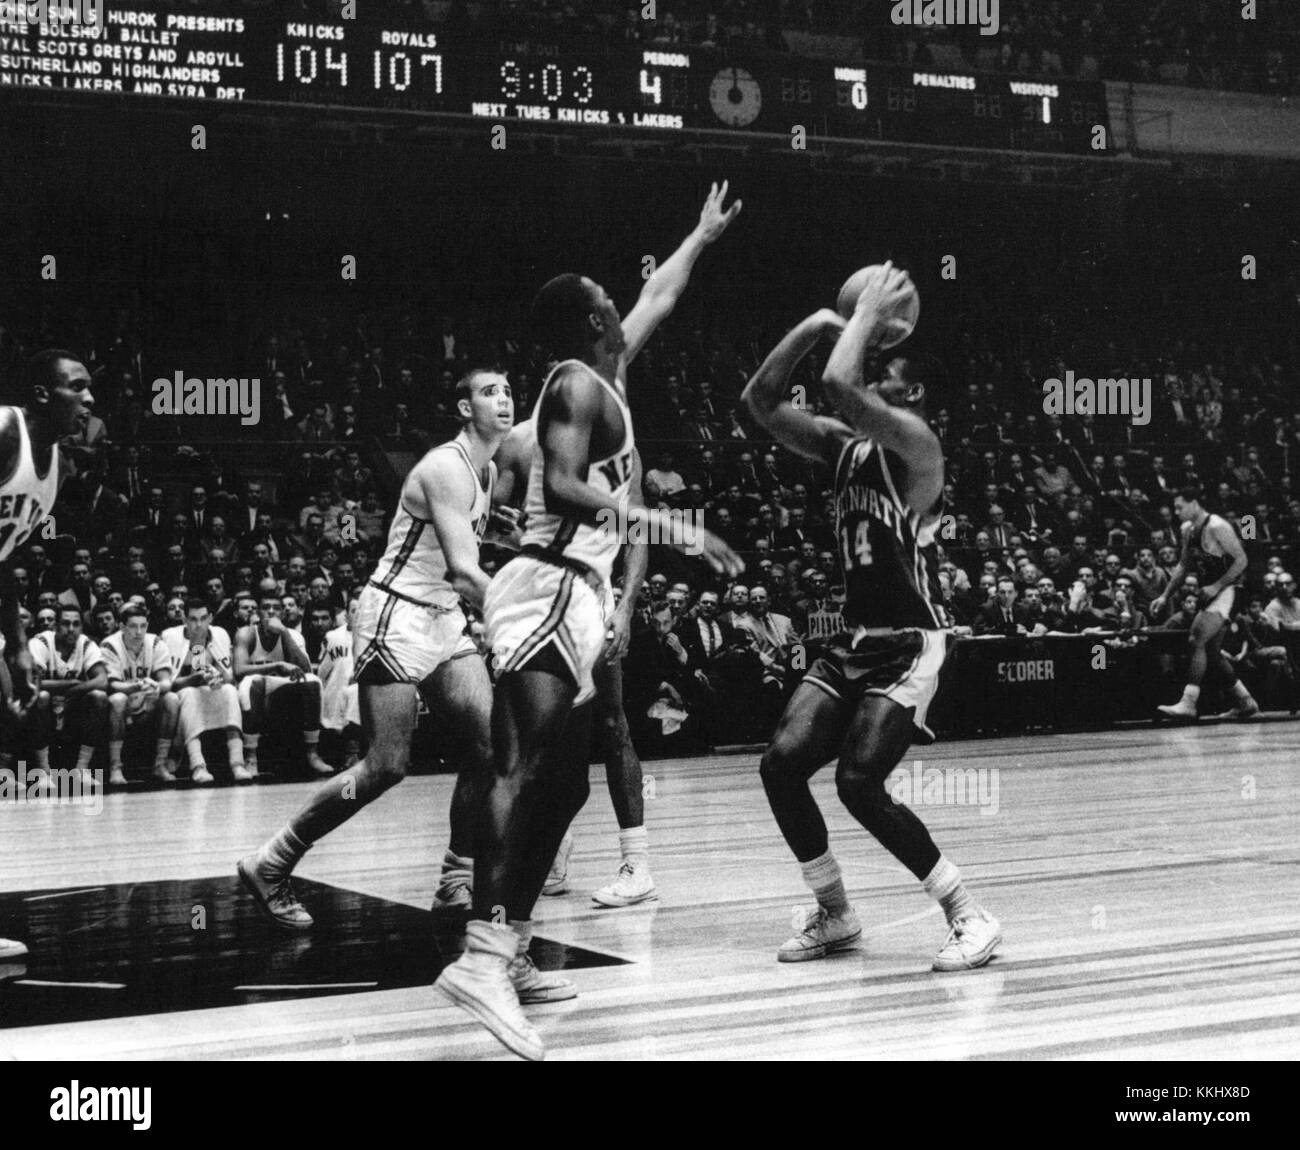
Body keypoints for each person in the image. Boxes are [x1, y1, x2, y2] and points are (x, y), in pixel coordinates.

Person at [434, 182, 744, 1060]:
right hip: (542, 588)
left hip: (579, 592)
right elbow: (569, 486)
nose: (622, 302)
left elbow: (661, 298)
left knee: (566, 783)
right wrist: (675, 526)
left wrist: (700, 236)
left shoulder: (603, 377)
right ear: (587, 323)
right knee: (522, 767)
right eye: (609, 301)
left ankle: (514, 944)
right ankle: (482, 958)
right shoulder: (573, 383)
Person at [740, 266, 1000, 973]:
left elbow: (838, 386)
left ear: (909, 391)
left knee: (858, 782)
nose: (870, 365)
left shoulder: (918, 444)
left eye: (887, 365)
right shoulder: (841, 446)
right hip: (851, 642)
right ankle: (835, 912)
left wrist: (858, 322)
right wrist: (820, 326)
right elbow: (759, 401)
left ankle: (968, 914)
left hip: (912, 644)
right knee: (780, 766)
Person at [238, 371, 515, 956]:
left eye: (510, 390)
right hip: (395, 613)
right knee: (386, 765)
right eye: (492, 391)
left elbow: (467, 551)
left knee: (489, 745)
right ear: (464, 407)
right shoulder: (444, 466)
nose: (506, 399)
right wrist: (527, 612)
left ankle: (454, 882)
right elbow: (466, 572)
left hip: (440, 616)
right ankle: (271, 862)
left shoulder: (486, 472)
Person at [491, 416, 656, 909]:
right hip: (534, 596)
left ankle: (637, 863)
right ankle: (552, 850)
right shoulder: (518, 442)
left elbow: (638, 527)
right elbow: (492, 523)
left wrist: (625, 607)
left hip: (592, 591)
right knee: (539, 734)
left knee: (611, 721)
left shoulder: (619, 445)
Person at [0, 351, 94, 962]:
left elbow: (3, 562)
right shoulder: (5, 429)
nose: (89, 401)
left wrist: (16, 645)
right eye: (77, 388)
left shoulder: (55, 467)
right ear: (41, 393)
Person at [1153, 487, 1260, 721]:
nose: (1177, 512)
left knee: (1196, 638)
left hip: (1229, 590)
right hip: (1210, 593)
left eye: (1180, 507)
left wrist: (1216, 585)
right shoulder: (1188, 530)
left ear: (1195, 503)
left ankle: (1188, 703)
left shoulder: (1217, 526)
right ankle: (1245, 702)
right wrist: (1165, 595)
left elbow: (1242, 560)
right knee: (1211, 652)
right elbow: (1182, 565)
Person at [232, 588, 330, 777]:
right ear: (258, 612)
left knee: (313, 682)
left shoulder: (293, 634)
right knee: (251, 683)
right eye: (266, 607)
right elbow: (238, 671)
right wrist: (277, 664)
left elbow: (306, 670)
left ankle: (312, 754)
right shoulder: (245, 633)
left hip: (280, 686)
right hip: (254, 685)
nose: (270, 612)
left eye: (276, 608)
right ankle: (249, 758)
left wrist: (284, 634)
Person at [161, 599, 247, 783]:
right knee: (190, 695)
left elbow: (229, 677)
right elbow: (169, 684)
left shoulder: (220, 634)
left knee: (230, 692)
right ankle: (198, 766)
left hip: (210, 689)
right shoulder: (170, 636)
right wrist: (195, 678)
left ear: (210, 618)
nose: (198, 624)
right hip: (183, 691)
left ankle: (237, 763)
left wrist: (216, 677)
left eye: (202, 618)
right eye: (192, 619)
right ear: (184, 618)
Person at [102, 604, 179, 787]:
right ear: (122, 627)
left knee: (171, 699)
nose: (139, 631)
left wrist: (157, 687)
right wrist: (136, 686)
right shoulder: (110, 645)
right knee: (118, 700)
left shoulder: (156, 643)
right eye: (133, 626)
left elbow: (167, 681)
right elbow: (111, 685)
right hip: (122, 706)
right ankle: (115, 767)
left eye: (143, 626)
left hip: (147, 704)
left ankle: (160, 765)